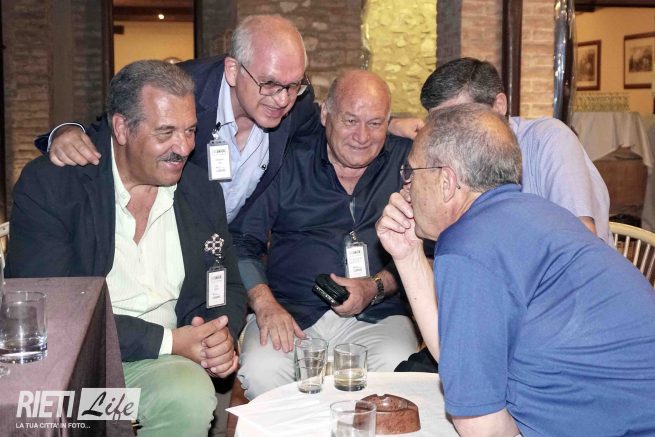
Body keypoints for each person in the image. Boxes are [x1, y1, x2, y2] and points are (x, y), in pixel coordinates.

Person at [376, 103, 655, 436]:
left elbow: (483, 426)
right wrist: (408, 256)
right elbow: (458, 358)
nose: (405, 187)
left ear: (447, 182)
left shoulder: (470, 244)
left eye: (411, 172)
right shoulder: (538, 212)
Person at [7, 60, 248, 437]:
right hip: (74, 372)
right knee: (50, 413)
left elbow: (227, 283)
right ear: (121, 128)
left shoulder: (199, 191)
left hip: (157, 369)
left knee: (187, 396)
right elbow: (51, 311)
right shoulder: (54, 187)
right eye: (166, 132)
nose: (184, 147)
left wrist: (220, 334)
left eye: (190, 131)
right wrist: (170, 342)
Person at [36, 15, 422, 228]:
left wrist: (388, 125)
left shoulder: (298, 107)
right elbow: (122, 125)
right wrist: (67, 133)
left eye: (293, 85)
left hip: (229, 247)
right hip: (165, 235)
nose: (282, 100)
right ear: (234, 71)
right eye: (269, 84)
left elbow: (337, 122)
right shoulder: (183, 89)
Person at [232, 70, 419, 399]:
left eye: (375, 123)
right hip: (291, 313)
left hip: (378, 315)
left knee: (398, 365)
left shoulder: (408, 163)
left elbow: (428, 249)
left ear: (389, 122)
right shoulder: (287, 160)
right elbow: (242, 241)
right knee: (262, 369)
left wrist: (374, 287)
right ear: (325, 115)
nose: (362, 136)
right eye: (350, 121)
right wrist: (265, 305)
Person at [420, 57, 611, 243]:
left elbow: (582, 239)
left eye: (460, 119)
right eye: (439, 123)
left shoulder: (551, 139)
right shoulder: (455, 160)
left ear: (499, 106)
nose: (448, 133)